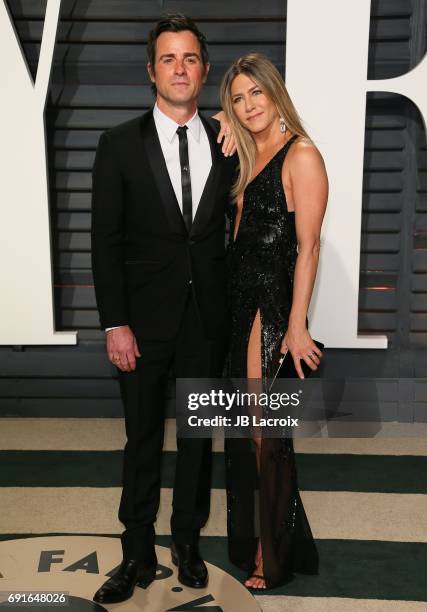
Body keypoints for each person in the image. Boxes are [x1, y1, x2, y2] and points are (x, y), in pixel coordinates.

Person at [91, 15, 236, 604]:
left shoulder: (230, 141)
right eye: (169, 59)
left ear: (204, 70)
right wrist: (114, 321)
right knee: (142, 439)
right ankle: (136, 551)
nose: (181, 68)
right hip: (142, 326)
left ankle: (186, 543)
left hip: (208, 320)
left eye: (191, 58)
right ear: (151, 70)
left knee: (199, 439)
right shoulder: (118, 143)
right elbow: (106, 241)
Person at [220, 53, 328, 590]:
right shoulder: (247, 153)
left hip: (270, 312)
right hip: (239, 311)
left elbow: (308, 248)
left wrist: (297, 325)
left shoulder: (300, 154)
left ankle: (270, 556)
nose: (247, 105)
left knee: (264, 436)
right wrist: (221, 122)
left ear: (274, 92)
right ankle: (283, 541)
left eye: (255, 93)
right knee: (246, 435)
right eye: (237, 98)